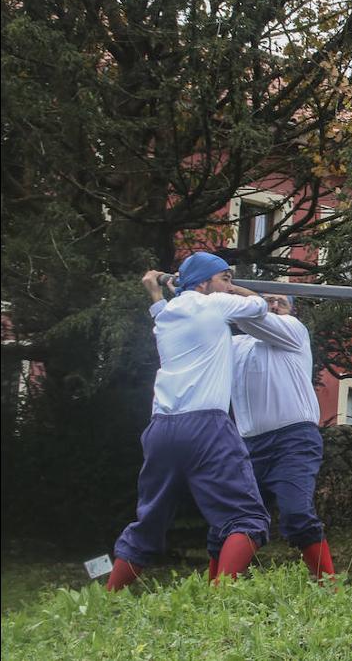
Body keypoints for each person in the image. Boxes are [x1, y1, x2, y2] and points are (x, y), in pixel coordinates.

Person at [108, 253, 271, 591]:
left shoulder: (167, 316)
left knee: (149, 520)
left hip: (161, 430)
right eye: (223, 277)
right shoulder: (214, 305)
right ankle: (221, 597)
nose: (227, 284)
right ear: (203, 283)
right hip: (206, 426)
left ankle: (109, 595)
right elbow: (259, 307)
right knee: (248, 518)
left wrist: (157, 290)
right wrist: (235, 289)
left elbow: (159, 310)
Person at [153, 292, 336, 582]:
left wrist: (226, 291)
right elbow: (187, 333)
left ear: (292, 311)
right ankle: (218, 591)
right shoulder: (234, 345)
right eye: (269, 300)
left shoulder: (292, 331)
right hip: (248, 444)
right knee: (228, 520)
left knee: (297, 513)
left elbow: (249, 315)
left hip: (294, 440)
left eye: (281, 302)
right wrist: (175, 296)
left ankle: (330, 585)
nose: (274, 306)